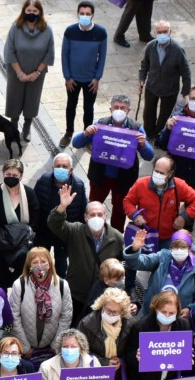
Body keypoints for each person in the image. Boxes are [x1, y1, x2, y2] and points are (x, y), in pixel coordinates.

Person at [72, 94, 154, 229]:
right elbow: (76, 143)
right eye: (116, 107)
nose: (119, 110)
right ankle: (92, 229)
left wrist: (144, 144)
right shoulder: (100, 124)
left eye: (123, 108)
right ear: (110, 109)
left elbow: (149, 156)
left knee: (120, 209)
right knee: (94, 204)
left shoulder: (136, 128)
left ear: (128, 110)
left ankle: (115, 234)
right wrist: (85, 133)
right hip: (100, 176)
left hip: (123, 179)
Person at [48, 188, 125, 325]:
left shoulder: (116, 237)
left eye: (100, 214)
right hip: (76, 293)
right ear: (85, 217)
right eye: (92, 214)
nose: (96, 217)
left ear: (105, 216)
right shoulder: (75, 231)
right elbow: (54, 224)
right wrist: (62, 207)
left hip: (102, 296)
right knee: (73, 325)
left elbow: (123, 264)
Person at [0, 160, 40, 289]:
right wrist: (2, 237)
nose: (11, 178)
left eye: (15, 175)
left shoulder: (29, 193)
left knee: (20, 282)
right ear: (3, 174)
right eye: (8, 174)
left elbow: (35, 218)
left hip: (21, 247)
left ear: (21, 176)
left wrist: (22, 238)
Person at [9, 246, 76, 359]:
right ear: (29, 266)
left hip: (51, 345)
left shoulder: (62, 285)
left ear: (49, 264)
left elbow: (66, 316)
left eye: (43, 261)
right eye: (35, 262)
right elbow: (14, 317)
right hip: (27, 345)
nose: (39, 266)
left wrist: (56, 344)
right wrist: (25, 346)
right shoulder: (19, 285)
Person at [3, 0, 55, 142]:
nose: (31, 13)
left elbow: (49, 53)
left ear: (40, 12)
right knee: (14, 97)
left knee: (32, 99)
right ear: (24, 11)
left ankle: (27, 125)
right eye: (29, 10)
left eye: (35, 11)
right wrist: (19, 73)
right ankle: (13, 125)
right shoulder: (15, 28)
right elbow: (9, 51)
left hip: (36, 73)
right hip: (16, 71)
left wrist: (37, 72)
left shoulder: (47, 30)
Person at [125, 228, 195, 315]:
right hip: (151, 314)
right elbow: (136, 263)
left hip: (176, 320)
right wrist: (134, 250)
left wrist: (190, 308)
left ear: (189, 248)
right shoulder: (161, 258)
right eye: (176, 247)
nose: (179, 250)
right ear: (171, 248)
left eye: (183, 247)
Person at [59, 1, 108, 147]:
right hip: (72, 79)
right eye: (82, 13)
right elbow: (64, 55)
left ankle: (87, 136)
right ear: (77, 14)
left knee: (89, 108)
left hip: (91, 80)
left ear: (93, 15)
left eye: (88, 14)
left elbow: (102, 57)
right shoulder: (70, 31)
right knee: (71, 106)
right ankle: (68, 133)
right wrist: (67, 77)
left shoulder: (101, 32)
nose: (85, 16)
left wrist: (97, 78)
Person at [123, 155, 195, 239]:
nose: (158, 175)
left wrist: (184, 217)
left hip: (168, 236)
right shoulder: (141, 184)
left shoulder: (179, 186)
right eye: (156, 171)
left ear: (170, 174)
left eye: (162, 173)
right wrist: (135, 215)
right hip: (145, 235)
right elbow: (128, 201)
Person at [33, 154, 87, 277]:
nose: (61, 168)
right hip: (43, 232)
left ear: (71, 169)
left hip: (64, 234)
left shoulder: (78, 185)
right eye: (58, 166)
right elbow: (35, 205)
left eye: (64, 166)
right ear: (53, 168)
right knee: (38, 264)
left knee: (61, 266)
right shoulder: (43, 180)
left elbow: (82, 211)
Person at [138, 19, 190, 138]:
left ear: (170, 32)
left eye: (165, 31)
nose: (162, 34)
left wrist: (185, 92)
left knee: (165, 115)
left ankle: (160, 135)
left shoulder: (178, 49)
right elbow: (144, 64)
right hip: (152, 86)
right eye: (159, 32)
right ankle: (149, 133)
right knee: (148, 112)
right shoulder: (150, 46)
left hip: (170, 89)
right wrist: (142, 79)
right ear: (155, 33)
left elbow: (186, 72)